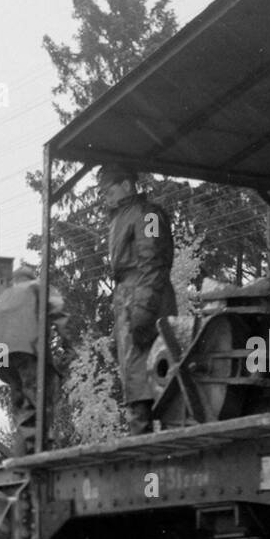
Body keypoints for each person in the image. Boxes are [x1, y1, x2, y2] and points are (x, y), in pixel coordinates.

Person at [99, 163, 177, 436]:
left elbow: (153, 262)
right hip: (130, 300)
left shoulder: (148, 215)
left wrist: (143, 309)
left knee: (157, 377)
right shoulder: (122, 217)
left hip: (145, 297)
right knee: (135, 382)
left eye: (108, 189)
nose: (104, 196)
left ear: (127, 185)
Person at [0, 262, 70, 458]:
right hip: (26, 349)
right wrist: (70, 344)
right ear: (32, 277)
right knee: (39, 402)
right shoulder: (39, 287)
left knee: (21, 401)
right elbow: (59, 313)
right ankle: (37, 450)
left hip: (2, 356)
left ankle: (24, 448)